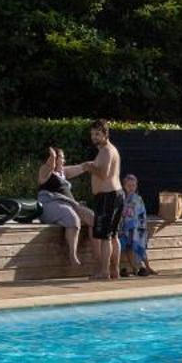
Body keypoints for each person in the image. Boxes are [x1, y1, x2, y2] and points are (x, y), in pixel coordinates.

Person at [62, 119, 123, 282]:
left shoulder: (106, 151)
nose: (94, 137)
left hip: (108, 196)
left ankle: (104, 271)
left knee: (105, 237)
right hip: (115, 195)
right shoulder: (109, 150)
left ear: (105, 134)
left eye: (97, 134)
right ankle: (115, 270)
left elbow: (103, 174)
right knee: (113, 235)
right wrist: (88, 165)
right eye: (92, 134)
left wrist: (89, 166)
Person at [36, 146, 95, 270]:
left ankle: (96, 254)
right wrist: (52, 156)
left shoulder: (63, 172)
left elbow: (81, 167)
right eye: (62, 158)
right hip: (50, 203)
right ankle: (72, 255)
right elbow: (49, 166)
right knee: (72, 217)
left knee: (92, 217)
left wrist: (93, 164)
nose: (64, 161)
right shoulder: (45, 171)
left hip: (68, 203)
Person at [117, 174, 153, 277]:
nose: (131, 188)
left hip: (137, 227)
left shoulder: (138, 199)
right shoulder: (122, 198)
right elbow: (121, 213)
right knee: (126, 247)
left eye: (133, 185)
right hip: (125, 228)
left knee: (139, 246)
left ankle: (146, 267)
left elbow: (141, 213)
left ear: (136, 186)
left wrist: (142, 226)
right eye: (129, 185)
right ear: (124, 186)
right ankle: (133, 268)